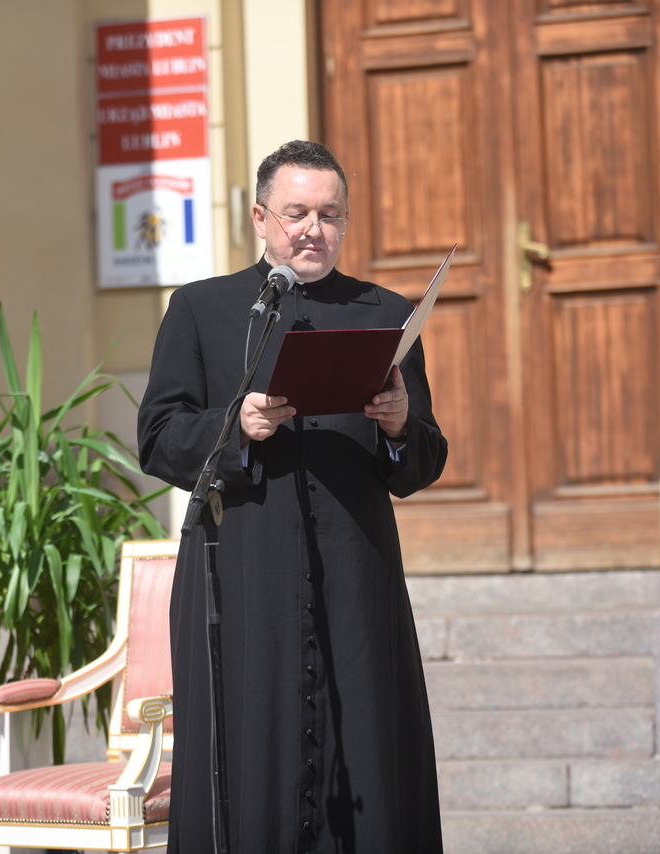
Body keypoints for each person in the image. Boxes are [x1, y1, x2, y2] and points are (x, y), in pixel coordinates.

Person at [137, 139, 449, 854]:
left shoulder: (384, 312)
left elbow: (422, 461)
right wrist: (235, 426)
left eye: (329, 215)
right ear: (260, 217)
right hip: (243, 573)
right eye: (297, 213)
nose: (314, 229)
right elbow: (157, 436)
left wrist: (401, 427)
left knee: (365, 746)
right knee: (251, 757)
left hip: (355, 577)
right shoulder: (202, 309)